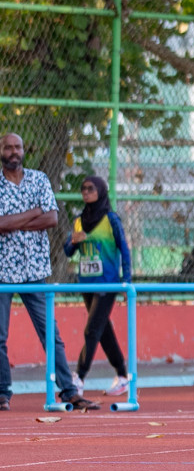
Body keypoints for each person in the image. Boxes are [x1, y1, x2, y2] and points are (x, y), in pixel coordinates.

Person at [0, 133, 80, 412]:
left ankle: (69, 391)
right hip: (2, 272)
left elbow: (52, 218)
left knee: (50, 333)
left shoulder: (39, 179)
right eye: (8, 147)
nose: (13, 151)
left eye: (18, 146)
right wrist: (32, 213)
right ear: (1, 151)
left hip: (35, 270)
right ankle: (2, 393)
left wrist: (13, 222)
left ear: (24, 150)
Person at [64, 175, 130, 401]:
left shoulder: (111, 219)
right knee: (103, 330)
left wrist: (126, 281)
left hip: (107, 283)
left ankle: (79, 378)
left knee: (91, 330)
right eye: (83, 189)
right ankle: (122, 376)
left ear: (100, 191)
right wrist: (73, 241)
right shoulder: (79, 220)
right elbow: (67, 251)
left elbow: (124, 249)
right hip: (87, 284)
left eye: (90, 189)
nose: (86, 192)